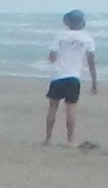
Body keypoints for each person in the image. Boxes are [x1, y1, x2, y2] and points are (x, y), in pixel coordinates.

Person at [41, 11, 97, 144]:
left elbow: (52, 57)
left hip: (58, 76)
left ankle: (48, 138)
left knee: (53, 107)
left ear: (67, 22)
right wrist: (94, 82)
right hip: (74, 77)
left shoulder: (60, 36)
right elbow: (91, 62)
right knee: (71, 109)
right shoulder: (87, 39)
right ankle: (70, 140)